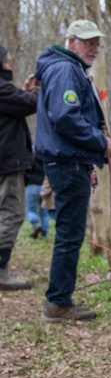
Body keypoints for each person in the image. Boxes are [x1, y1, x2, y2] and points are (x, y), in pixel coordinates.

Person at [34, 19, 111, 321]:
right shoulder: (66, 69)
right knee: (70, 233)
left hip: (69, 160)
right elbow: (65, 117)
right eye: (86, 42)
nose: (93, 48)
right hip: (68, 162)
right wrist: (100, 139)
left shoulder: (66, 68)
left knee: (69, 232)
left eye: (96, 42)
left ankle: (59, 299)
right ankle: (58, 302)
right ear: (70, 41)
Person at [0, 43, 39, 290]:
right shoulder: (2, 89)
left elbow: (18, 103)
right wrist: (40, 91)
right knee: (12, 213)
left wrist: (25, 92)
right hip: (7, 164)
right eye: (7, 61)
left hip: (6, 162)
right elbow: (29, 103)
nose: (11, 66)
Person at [25, 156, 51, 239]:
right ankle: (44, 234)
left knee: (30, 210)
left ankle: (36, 223)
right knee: (44, 212)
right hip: (45, 185)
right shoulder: (46, 154)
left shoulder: (31, 155)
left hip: (32, 185)